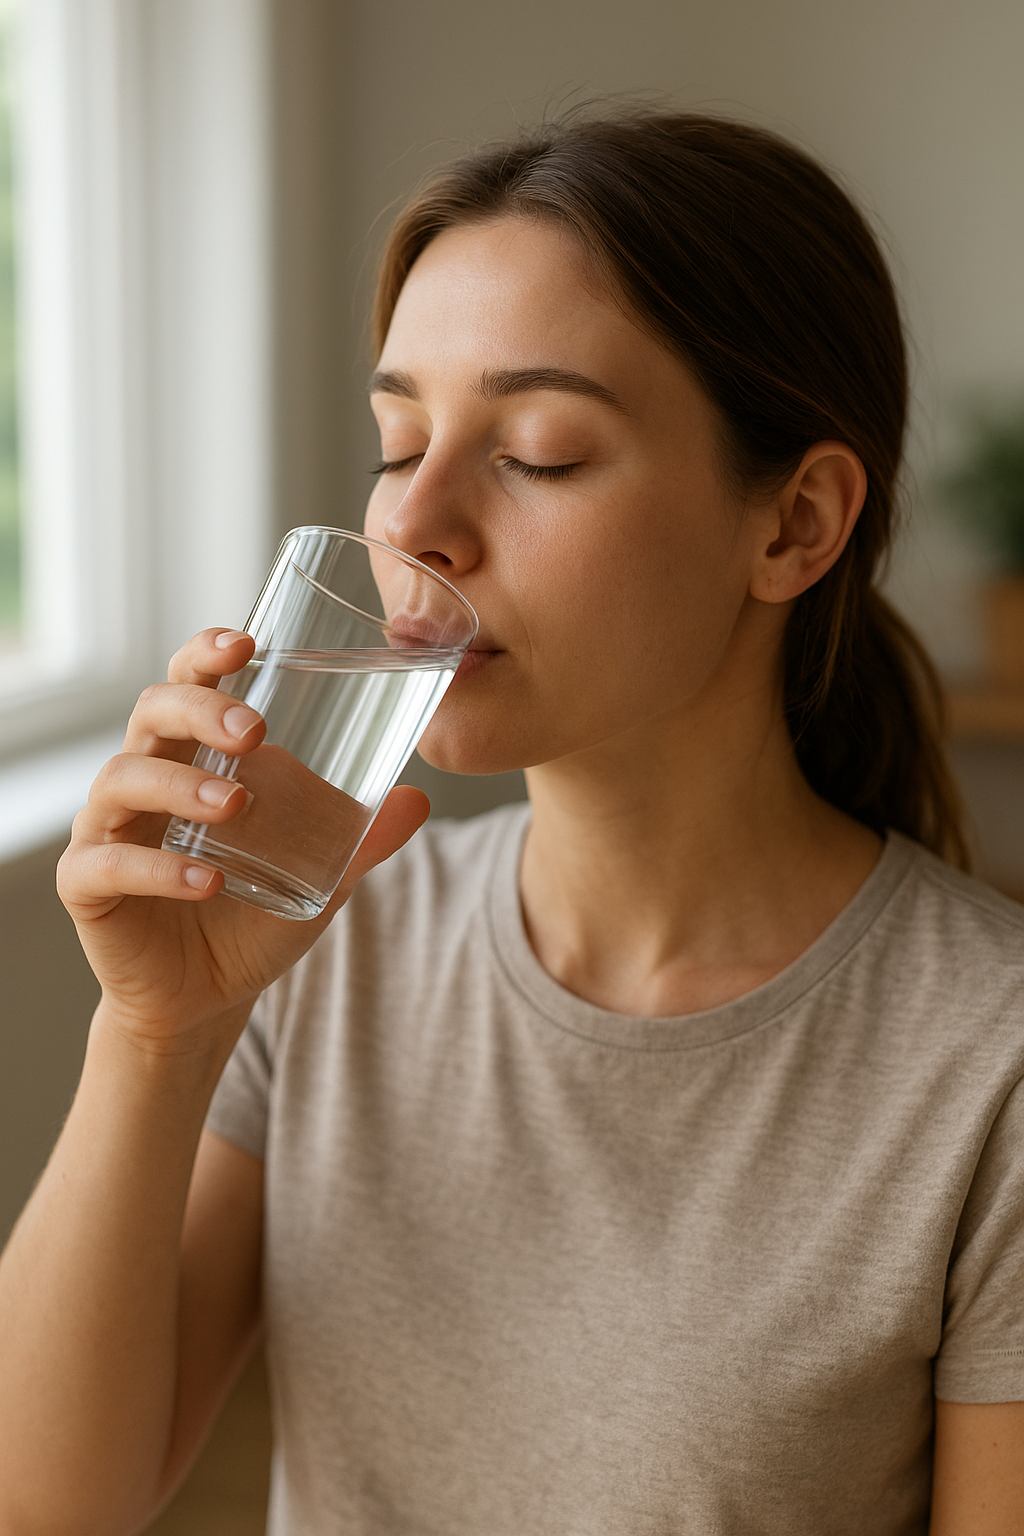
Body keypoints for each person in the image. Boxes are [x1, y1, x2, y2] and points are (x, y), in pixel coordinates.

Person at [1, 110, 1022, 1536]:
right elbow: (45, 1510)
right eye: (398, 438)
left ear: (794, 524)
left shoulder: (988, 1069)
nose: (415, 521)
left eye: (536, 452)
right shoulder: (321, 941)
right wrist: (154, 1036)